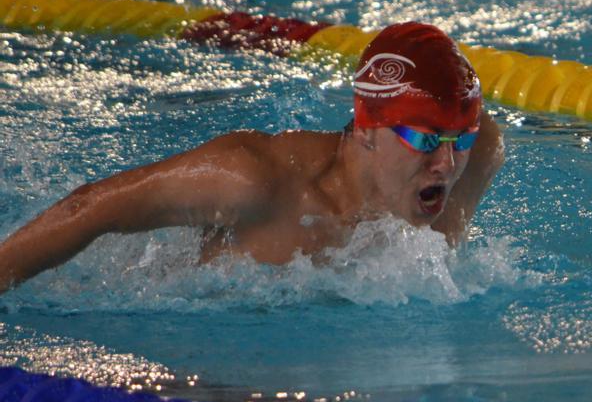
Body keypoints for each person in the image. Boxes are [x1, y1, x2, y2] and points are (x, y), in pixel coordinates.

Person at [0, 22, 504, 294]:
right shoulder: (251, 179)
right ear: (368, 126)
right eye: (426, 140)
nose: (446, 163)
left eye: (460, 138)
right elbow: (90, 208)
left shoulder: (476, 154)